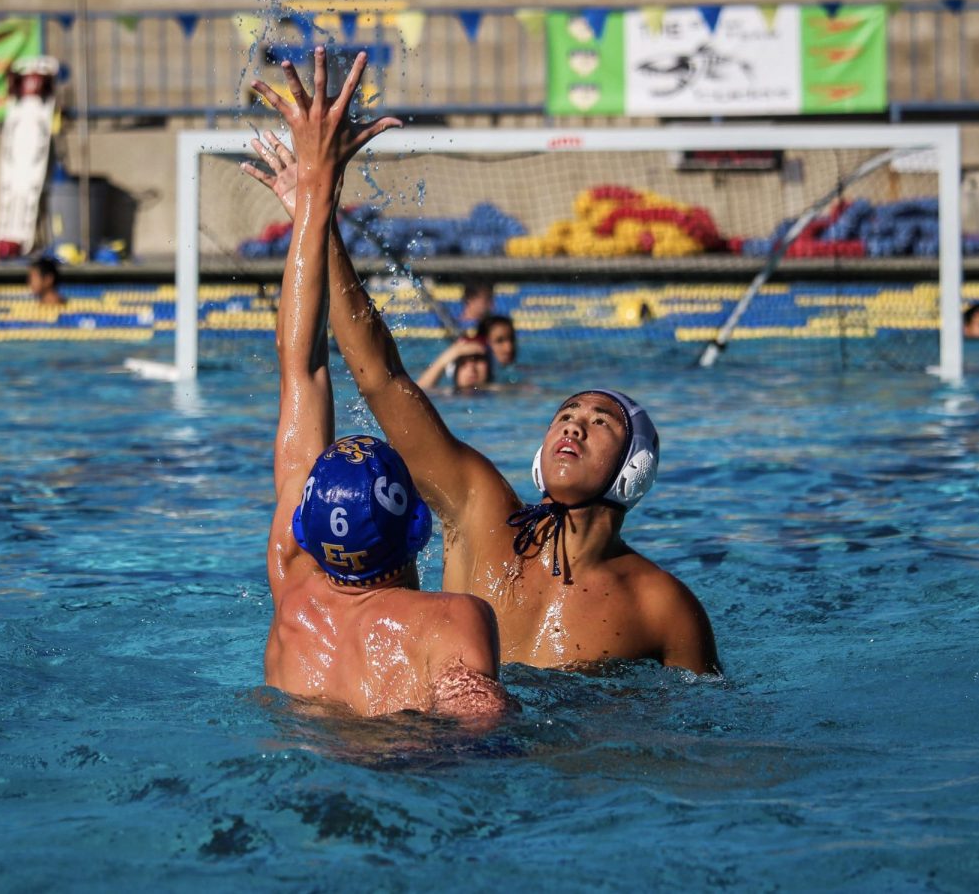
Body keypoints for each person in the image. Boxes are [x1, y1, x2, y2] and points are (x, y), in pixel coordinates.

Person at [247, 52, 719, 675]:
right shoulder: (480, 511)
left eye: (601, 421)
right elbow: (382, 377)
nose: (573, 425)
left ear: (634, 472)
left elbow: (703, 733)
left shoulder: (663, 606)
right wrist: (319, 216)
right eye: (566, 413)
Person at [250, 48, 512, 721]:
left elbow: (301, 368)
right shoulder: (452, 621)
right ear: (416, 531)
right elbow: (482, 738)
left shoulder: (291, 590)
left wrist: (311, 196)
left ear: (306, 528)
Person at [416, 336, 493, 392]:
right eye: (463, 362)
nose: (471, 368)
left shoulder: (499, 392)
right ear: (453, 370)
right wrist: (451, 355)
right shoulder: (446, 394)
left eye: (477, 359)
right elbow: (417, 392)